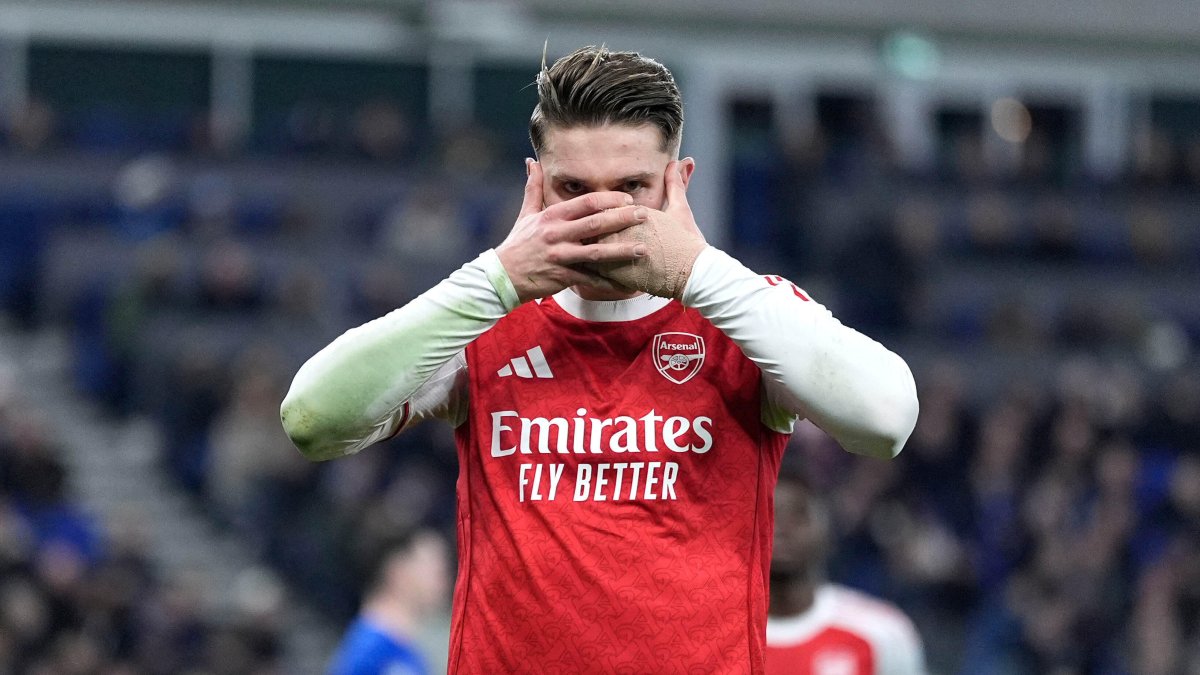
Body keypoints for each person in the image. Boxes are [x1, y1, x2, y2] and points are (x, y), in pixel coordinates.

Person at [281, 45, 919, 674]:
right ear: (535, 185)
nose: (603, 216)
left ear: (679, 182)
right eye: (574, 189)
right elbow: (312, 418)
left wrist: (698, 273)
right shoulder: (484, 318)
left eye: (632, 188)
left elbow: (887, 419)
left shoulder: (745, 316)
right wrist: (498, 277)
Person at [767, 471, 926, 675]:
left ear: (827, 530)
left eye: (799, 515)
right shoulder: (719, 633)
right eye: (769, 514)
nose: (782, 529)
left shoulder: (882, 633)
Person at [327, 529, 449, 675]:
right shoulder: (370, 650)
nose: (445, 582)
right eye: (436, 572)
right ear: (398, 571)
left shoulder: (406, 653)